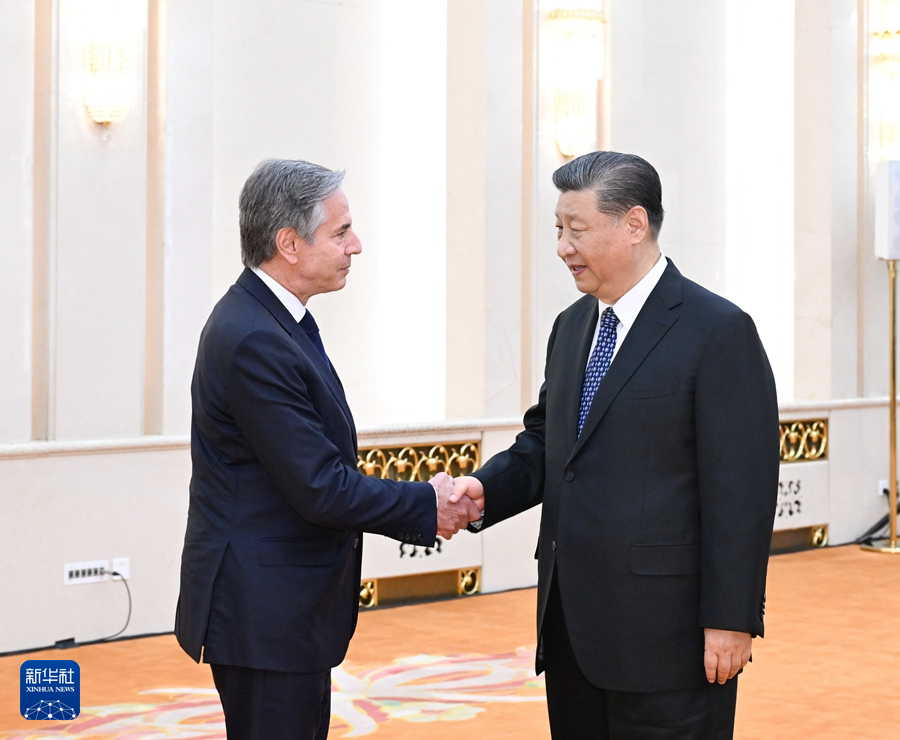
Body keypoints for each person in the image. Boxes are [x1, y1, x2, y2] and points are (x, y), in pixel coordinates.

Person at [452, 151, 779, 739]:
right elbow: (549, 443)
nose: (562, 247)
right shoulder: (571, 326)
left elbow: (742, 491)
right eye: (558, 229)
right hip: (571, 631)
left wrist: (732, 619)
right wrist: (482, 490)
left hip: (669, 640)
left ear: (633, 224)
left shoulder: (718, 331)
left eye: (576, 229)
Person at [175, 158, 482, 740]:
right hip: (264, 613)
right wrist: (428, 503)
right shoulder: (254, 336)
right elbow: (320, 487)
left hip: (282, 611)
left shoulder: (275, 320)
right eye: (341, 232)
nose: (356, 245)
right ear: (289, 244)